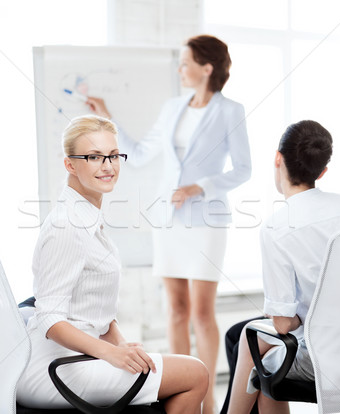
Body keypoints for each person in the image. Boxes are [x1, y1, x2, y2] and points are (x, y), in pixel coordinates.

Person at [86, 35, 252, 414]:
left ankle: (206, 400)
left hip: (206, 219)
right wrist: (107, 115)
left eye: (185, 62)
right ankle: (181, 392)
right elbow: (143, 153)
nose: (179, 69)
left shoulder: (230, 110)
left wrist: (200, 187)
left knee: (201, 312)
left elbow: (244, 169)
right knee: (176, 309)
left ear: (206, 67)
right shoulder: (173, 107)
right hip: (169, 219)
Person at [16, 115, 208, 413]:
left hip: (76, 357)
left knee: (176, 369)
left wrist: (122, 344)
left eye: (113, 155)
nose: (107, 166)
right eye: (94, 157)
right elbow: (50, 319)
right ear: (70, 164)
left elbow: (95, 310)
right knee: (195, 373)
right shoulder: (67, 225)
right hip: (55, 368)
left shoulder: (86, 216)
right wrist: (110, 353)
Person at [226, 120, 340, 413]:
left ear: (277, 159)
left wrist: (295, 314)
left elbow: (281, 324)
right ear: (323, 171)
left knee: (257, 357)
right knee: (257, 347)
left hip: (325, 358)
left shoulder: (277, 226)